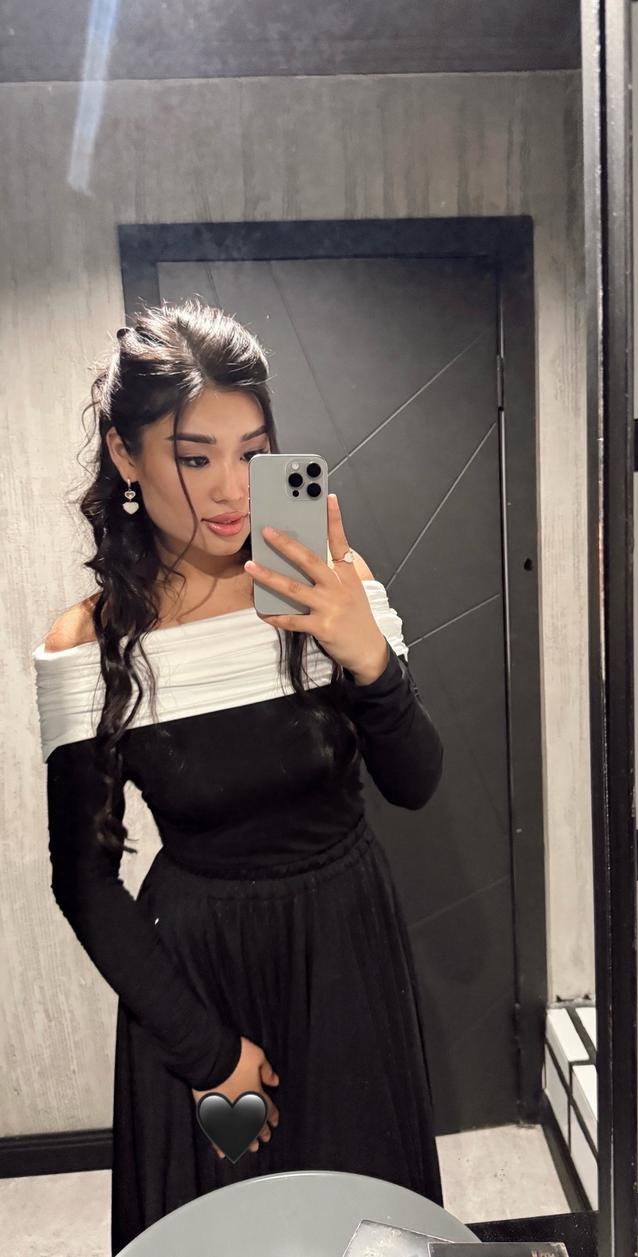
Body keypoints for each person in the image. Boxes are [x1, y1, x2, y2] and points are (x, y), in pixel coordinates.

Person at [31, 297, 446, 1254]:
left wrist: (370, 659)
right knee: (226, 1232)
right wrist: (207, 1052)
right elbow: (84, 880)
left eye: (251, 452)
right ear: (126, 454)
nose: (230, 490)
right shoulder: (90, 644)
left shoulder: (328, 583)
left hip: (347, 953)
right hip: (197, 980)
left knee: (362, 1225)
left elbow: (417, 780)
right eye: (194, 457)